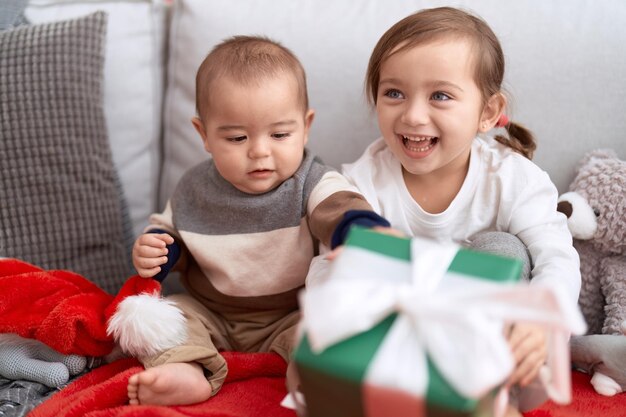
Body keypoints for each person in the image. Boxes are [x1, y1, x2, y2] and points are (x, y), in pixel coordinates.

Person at [338, 7, 581, 416]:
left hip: (496, 340)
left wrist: (542, 320)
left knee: (502, 247)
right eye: (394, 93)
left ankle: (493, 395)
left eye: (440, 96)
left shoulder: (512, 179)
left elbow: (557, 257)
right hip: (405, 338)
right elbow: (329, 268)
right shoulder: (361, 183)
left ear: (487, 112)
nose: (413, 115)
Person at [127, 35, 389, 406]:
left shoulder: (310, 181)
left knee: (323, 333)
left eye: (280, 134)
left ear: (306, 126)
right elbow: (172, 240)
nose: (260, 151)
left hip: (291, 312)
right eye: (237, 137)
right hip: (212, 311)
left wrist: (365, 235)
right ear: (203, 135)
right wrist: (155, 250)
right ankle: (188, 371)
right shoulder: (193, 188)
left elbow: (341, 208)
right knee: (170, 317)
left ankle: (307, 383)